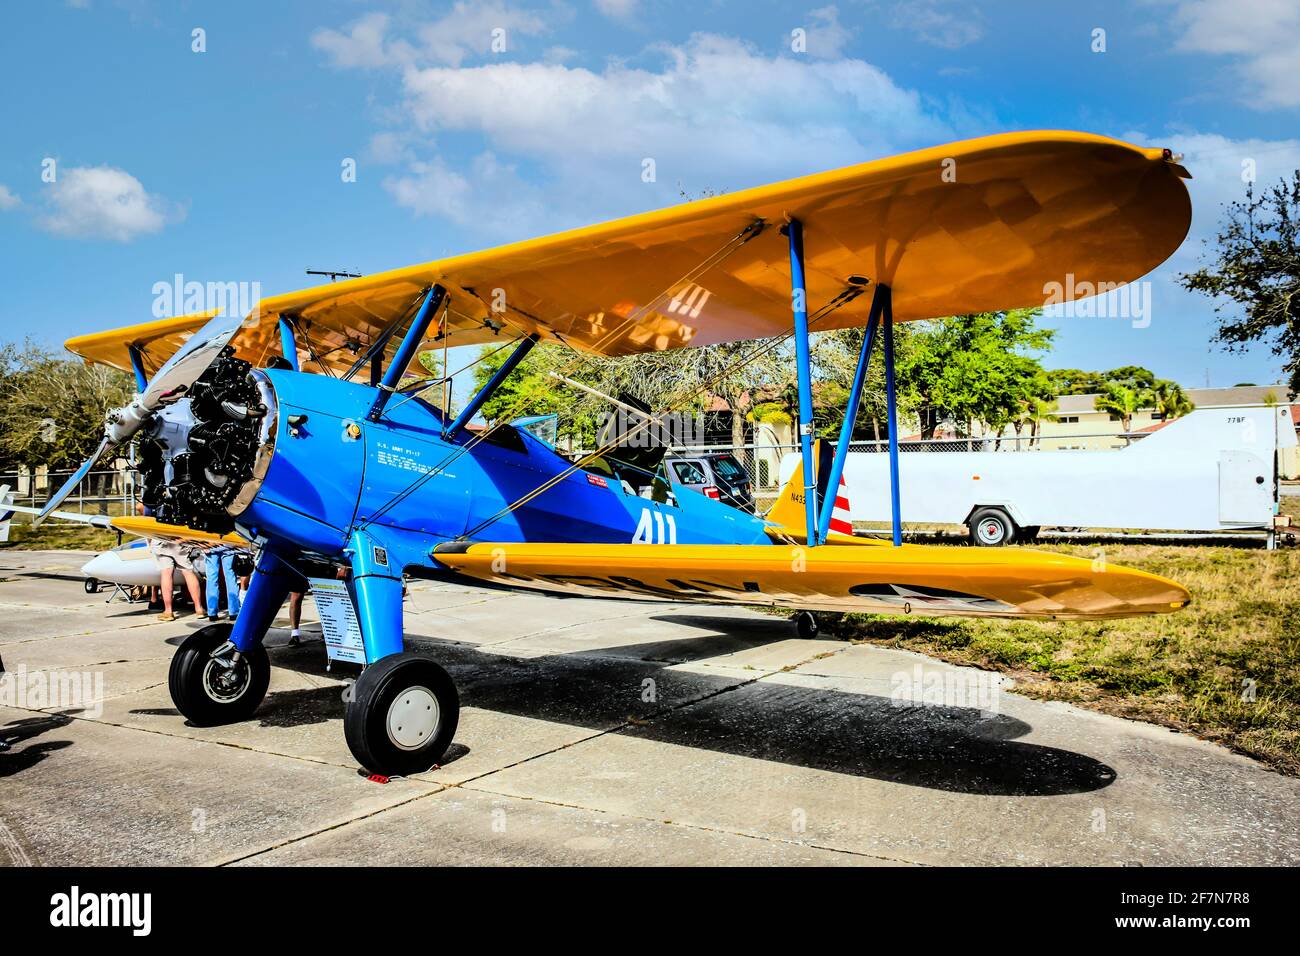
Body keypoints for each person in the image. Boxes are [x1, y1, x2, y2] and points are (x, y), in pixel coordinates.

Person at [153, 539, 206, 623]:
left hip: (160, 541)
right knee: (188, 572)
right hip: (178, 541)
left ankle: (168, 611)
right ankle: (199, 609)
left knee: (166, 574)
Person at [204, 546, 241, 620]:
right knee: (231, 578)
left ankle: (212, 613)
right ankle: (234, 612)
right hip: (227, 546)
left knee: (211, 578)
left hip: (211, 545)